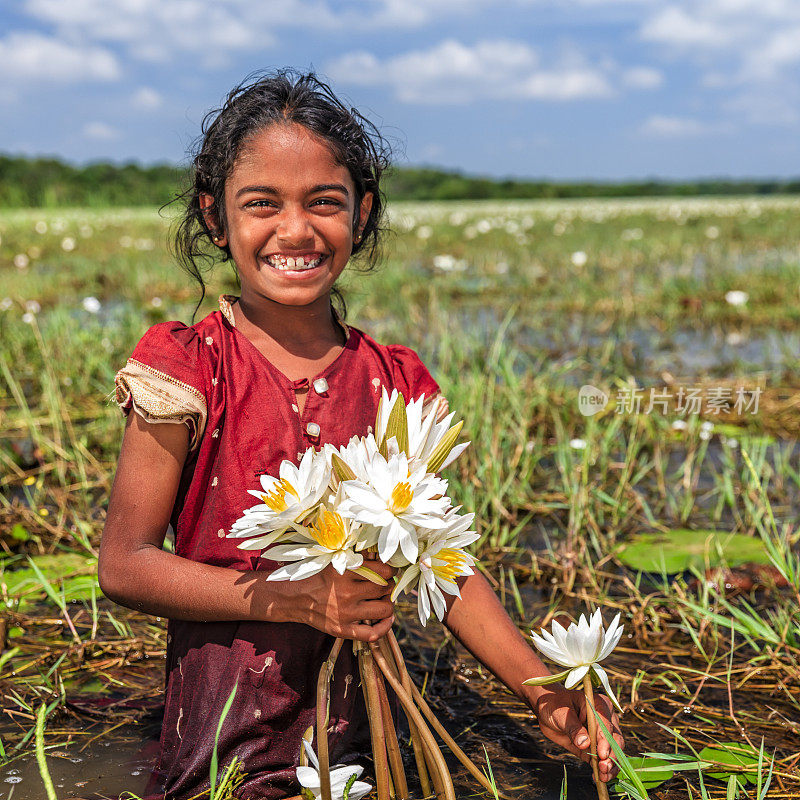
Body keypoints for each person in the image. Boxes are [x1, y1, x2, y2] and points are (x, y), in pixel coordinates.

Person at [98, 70, 623, 800]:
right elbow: (124, 564)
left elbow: (443, 564)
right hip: (222, 739)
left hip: (366, 730)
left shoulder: (394, 381)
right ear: (215, 218)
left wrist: (542, 691)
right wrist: (290, 598)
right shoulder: (187, 366)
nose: (296, 230)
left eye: (324, 203)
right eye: (262, 205)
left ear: (361, 212)